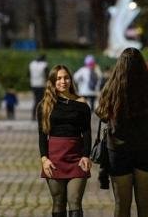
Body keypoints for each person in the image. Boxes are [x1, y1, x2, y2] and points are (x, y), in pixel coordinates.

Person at [96, 47, 148, 217]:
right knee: (145, 203)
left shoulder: (111, 88)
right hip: (147, 149)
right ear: (142, 65)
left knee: (121, 204)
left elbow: (102, 115)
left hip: (118, 151)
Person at [37, 65, 92, 217]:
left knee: (74, 200)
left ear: (71, 80)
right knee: (58, 202)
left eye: (66, 77)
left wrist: (86, 156)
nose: (63, 81)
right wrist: (44, 159)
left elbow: (87, 132)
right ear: (53, 81)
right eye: (59, 78)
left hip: (77, 159)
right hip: (54, 159)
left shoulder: (82, 104)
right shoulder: (44, 105)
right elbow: (42, 135)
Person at [30, 54, 49, 120]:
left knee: (36, 99)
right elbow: (47, 75)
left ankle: (34, 115)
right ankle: (38, 115)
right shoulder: (44, 65)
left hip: (33, 85)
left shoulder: (32, 64)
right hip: (41, 85)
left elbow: (28, 74)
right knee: (39, 100)